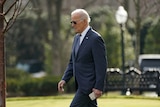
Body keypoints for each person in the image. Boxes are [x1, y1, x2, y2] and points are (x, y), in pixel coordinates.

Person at [58, 9, 107, 107]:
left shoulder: (95, 39)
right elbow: (73, 62)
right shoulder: (76, 38)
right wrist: (64, 79)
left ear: (84, 21)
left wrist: (98, 87)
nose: (72, 25)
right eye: (71, 22)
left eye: (74, 22)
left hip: (89, 87)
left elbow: (101, 65)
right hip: (81, 85)